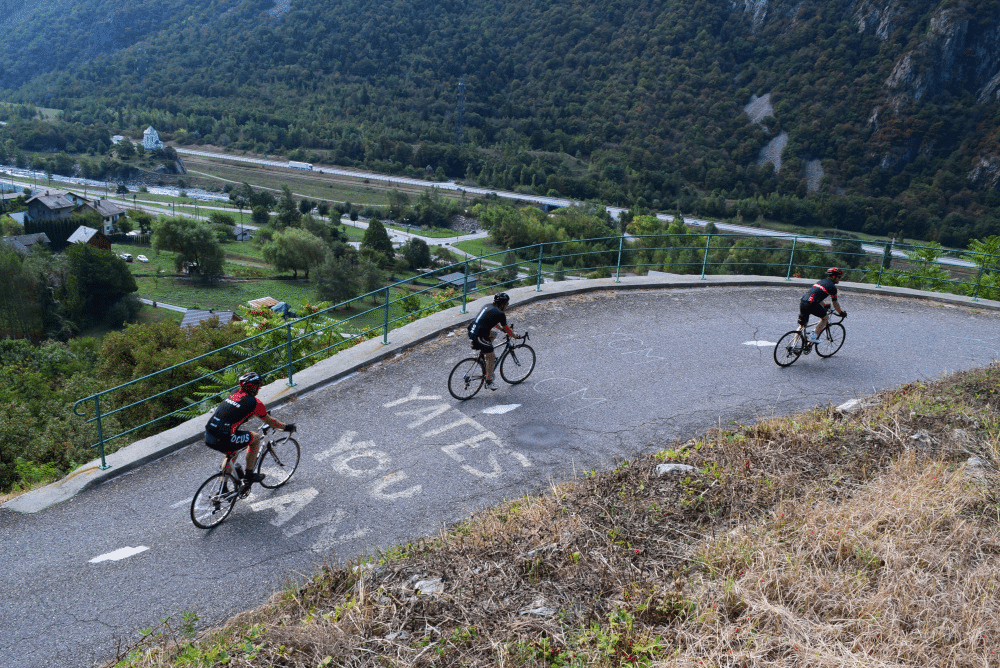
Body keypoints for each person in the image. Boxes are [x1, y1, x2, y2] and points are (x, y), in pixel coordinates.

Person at [204, 371, 296, 484]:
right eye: (258, 385)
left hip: (209, 434)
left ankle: (222, 489)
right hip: (224, 438)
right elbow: (271, 421)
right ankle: (249, 475)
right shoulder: (255, 403)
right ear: (254, 387)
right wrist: (287, 427)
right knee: (256, 438)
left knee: (232, 453)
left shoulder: (233, 393)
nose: (259, 388)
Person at [467, 292, 520, 390]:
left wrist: (500, 329)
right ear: (503, 304)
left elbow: (491, 320)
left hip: (472, 330)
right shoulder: (500, 314)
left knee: (494, 334)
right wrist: (515, 336)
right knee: (492, 357)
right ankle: (489, 381)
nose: (507, 306)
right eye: (507, 304)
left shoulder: (488, 306)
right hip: (479, 335)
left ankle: (484, 354)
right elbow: (507, 329)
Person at [799, 267, 847, 342]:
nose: (839, 279)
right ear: (833, 276)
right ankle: (813, 337)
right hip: (812, 303)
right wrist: (841, 313)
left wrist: (824, 305)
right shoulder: (832, 287)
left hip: (803, 301)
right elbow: (835, 303)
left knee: (802, 326)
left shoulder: (820, 282)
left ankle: (793, 346)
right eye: (839, 277)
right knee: (825, 318)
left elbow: (816, 295)